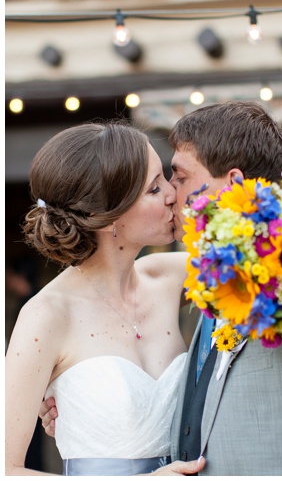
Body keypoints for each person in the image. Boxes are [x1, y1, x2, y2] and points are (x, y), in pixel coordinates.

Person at [43, 102, 282, 475]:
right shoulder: (211, 272)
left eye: (179, 177)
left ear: (233, 183)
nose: (170, 194)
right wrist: (83, 406)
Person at [6, 123, 205, 476]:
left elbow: (263, 260)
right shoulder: (47, 315)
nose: (173, 194)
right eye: (155, 188)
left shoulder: (170, 277)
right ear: (109, 216)